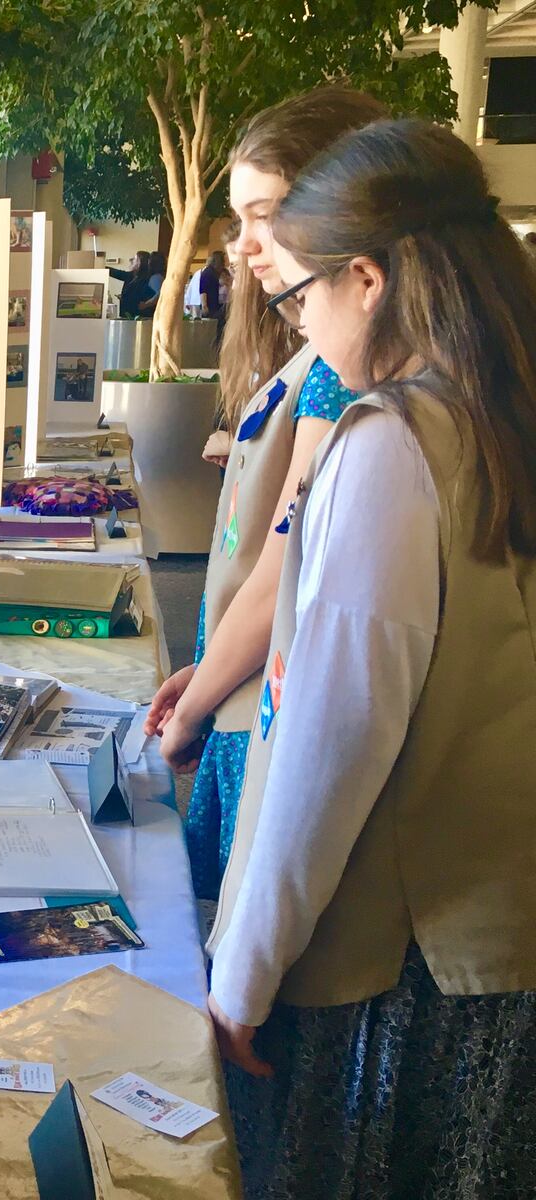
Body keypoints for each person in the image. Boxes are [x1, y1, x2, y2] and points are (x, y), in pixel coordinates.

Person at [206, 117, 536, 1199]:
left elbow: (328, 749)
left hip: (401, 979)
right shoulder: (506, 417)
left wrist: (242, 973)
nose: (297, 322)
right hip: (501, 958)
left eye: (299, 297)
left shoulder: (394, 444)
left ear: (366, 279)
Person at [144, 87, 385, 901]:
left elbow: (286, 563)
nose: (243, 242)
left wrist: (192, 707)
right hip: (242, 691)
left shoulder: (335, 370)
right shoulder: (312, 353)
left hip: (261, 708)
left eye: (265, 213)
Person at [110, 250, 151, 318]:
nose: (131, 260)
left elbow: (141, 296)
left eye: (134, 258)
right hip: (127, 314)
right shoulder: (132, 275)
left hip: (138, 316)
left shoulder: (147, 278)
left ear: (139, 262)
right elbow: (116, 273)